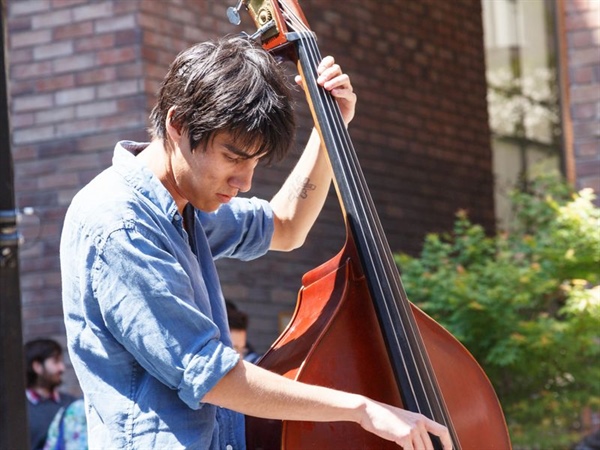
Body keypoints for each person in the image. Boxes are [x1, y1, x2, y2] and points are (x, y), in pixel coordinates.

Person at [60, 34, 451, 449]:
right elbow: (209, 374)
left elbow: (285, 225)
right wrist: (362, 408)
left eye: (256, 162)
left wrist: (330, 126)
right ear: (178, 124)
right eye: (234, 157)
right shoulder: (121, 223)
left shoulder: (185, 205)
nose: (245, 182)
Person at [24, 338, 77, 450]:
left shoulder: (72, 405)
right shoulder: (16, 411)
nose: (62, 368)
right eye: (56, 361)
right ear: (37, 366)